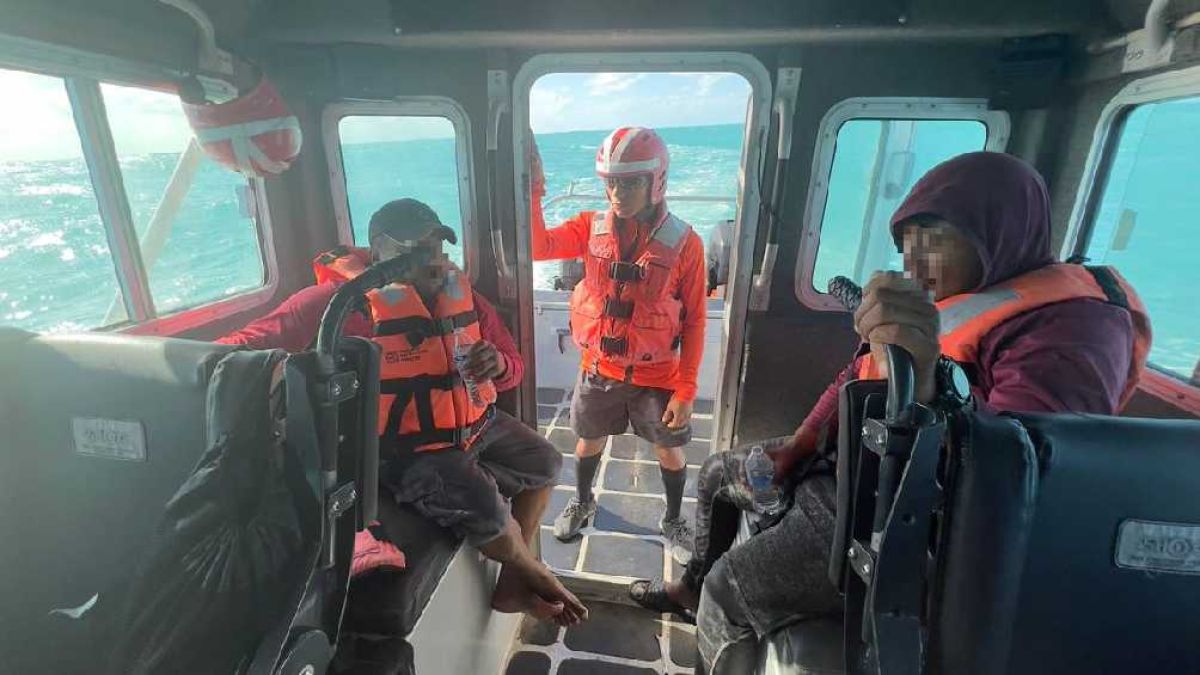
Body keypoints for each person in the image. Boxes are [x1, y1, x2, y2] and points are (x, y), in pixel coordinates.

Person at [625, 152, 1152, 672]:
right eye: (906, 246)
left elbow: (1015, 483)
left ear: (997, 231)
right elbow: (856, 376)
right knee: (718, 474)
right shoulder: (955, 298)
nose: (913, 263)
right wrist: (801, 443)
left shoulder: (1072, 332)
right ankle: (690, 586)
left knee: (729, 590)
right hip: (851, 471)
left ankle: (711, 613)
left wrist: (926, 383)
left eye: (933, 238)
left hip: (903, 524)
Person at [218, 198, 587, 626]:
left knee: (546, 461)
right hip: (403, 448)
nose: (428, 259)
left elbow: (514, 368)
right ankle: (533, 571)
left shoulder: (463, 296)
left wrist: (499, 364)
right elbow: (245, 343)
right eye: (411, 250)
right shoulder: (336, 304)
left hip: (473, 426)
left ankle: (510, 583)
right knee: (487, 508)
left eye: (435, 246)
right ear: (378, 253)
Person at [529, 127, 708, 564]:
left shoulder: (687, 244)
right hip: (599, 369)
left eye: (629, 183)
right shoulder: (588, 227)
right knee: (587, 441)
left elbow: (696, 321)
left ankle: (672, 519)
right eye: (611, 182)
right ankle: (583, 500)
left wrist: (686, 391)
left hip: (658, 375)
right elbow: (537, 246)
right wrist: (534, 189)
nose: (617, 193)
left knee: (669, 450)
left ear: (656, 181)